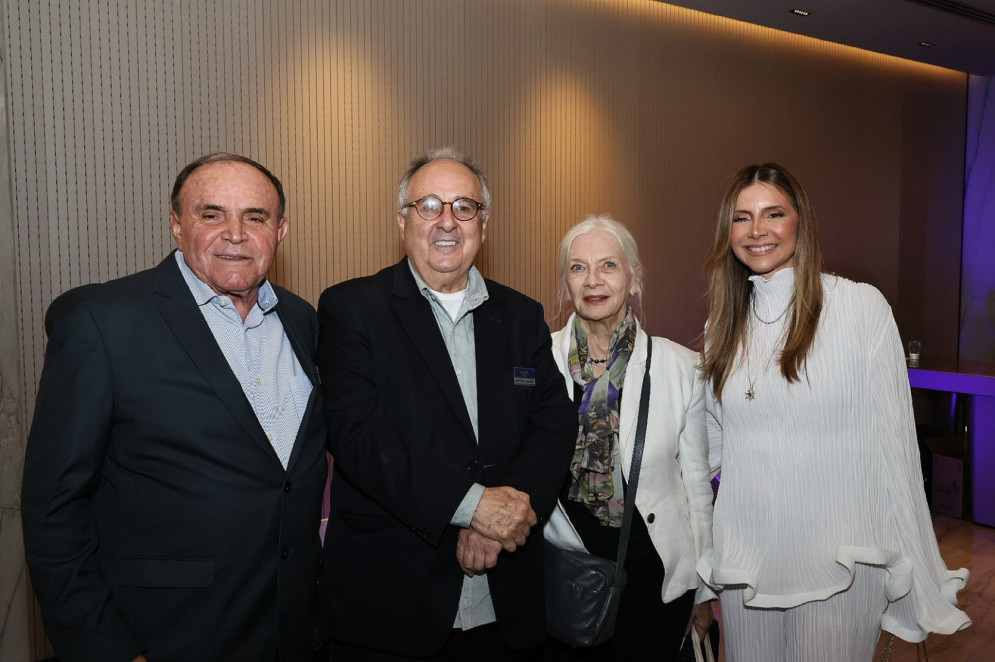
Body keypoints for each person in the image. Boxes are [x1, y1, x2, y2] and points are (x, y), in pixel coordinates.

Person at [21, 153, 329, 662]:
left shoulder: (303, 320)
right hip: (163, 634)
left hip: (289, 628)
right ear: (176, 226)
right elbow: (53, 508)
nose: (235, 233)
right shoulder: (102, 321)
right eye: (211, 214)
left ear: (281, 230)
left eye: (255, 216)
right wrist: (107, 650)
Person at [699, 163, 971, 661]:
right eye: (741, 218)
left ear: (801, 222)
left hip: (841, 560)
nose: (757, 231)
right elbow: (711, 449)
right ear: (727, 232)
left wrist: (917, 575)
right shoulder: (723, 324)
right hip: (747, 562)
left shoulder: (859, 308)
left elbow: (898, 451)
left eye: (773, 214)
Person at [314, 147, 577, 661]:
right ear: (402, 219)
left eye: (464, 207)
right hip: (393, 606)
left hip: (506, 604)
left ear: (484, 222)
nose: (447, 222)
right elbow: (358, 437)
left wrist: (501, 522)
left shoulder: (521, 315)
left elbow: (554, 422)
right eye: (429, 205)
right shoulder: (351, 309)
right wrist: (472, 505)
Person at [542, 216, 715, 660]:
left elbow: (696, 488)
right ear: (565, 282)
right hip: (566, 572)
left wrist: (704, 589)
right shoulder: (537, 361)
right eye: (578, 267)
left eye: (608, 266)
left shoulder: (681, 369)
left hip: (653, 576)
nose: (593, 280)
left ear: (634, 278)